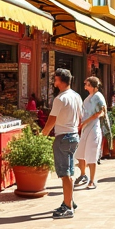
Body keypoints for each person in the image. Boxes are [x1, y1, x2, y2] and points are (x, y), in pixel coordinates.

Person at [40, 69, 82, 218]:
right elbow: (81, 117)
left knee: (65, 173)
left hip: (63, 137)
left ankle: (67, 206)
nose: (54, 82)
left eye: (55, 79)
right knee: (69, 171)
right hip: (73, 136)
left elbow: (52, 119)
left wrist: (43, 134)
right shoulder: (76, 96)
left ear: (60, 80)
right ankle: (70, 200)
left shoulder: (60, 99)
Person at [74, 76, 106, 190]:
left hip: (93, 127)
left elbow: (101, 112)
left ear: (93, 86)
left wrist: (85, 122)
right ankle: (83, 175)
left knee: (91, 155)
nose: (85, 86)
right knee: (80, 153)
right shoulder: (89, 97)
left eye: (87, 84)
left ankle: (92, 180)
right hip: (86, 128)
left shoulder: (98, 97)